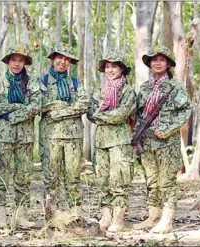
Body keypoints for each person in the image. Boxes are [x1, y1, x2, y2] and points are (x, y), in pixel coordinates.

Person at [132, 45, 192, 234]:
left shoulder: (175, 86)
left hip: (166, 142)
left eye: (162, 60)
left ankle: (167, 220)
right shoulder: (145, 87)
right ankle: (154, 216)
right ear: (149, 63)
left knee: (167, 181)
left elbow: (186, 110)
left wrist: (168, 129)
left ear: (168, 64)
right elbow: (139, 113)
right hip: (147, 141)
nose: (157, 63)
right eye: (154, 60)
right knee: (151, 180)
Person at [0, 45, 41, 229]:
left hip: (25, 137)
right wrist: (16, 107)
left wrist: (13, 114)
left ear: (25, 63)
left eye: (20, 60)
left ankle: (21, 215)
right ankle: (0, 214)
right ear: (8, 62)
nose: (17, 64)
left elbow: (36, 106)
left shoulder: (32, 83)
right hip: (2, 136)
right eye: (13, 60)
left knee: (23, 177)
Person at [39, 42, 89, 221]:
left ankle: (74, 213)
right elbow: (38, 104)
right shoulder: (42, 82)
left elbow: (84, 104)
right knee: (50, 177)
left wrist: (59, 111)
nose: (63, 62)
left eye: (67, 59)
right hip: (50, 136)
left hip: (73, 136)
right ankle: (52, 215)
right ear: (52, 59)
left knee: (73, 176)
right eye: (59, 57)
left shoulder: (75, 83)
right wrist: (68, 106)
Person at [87, 51, 136, 232]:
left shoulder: (128, 91)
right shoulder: (99, 91)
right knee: (102, 181)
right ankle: (105, 215)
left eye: (114, 66)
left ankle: (118, 217)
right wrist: (104, 115)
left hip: (120, 142)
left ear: (122, 69)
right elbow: (91, 113)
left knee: (118, 181)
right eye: (107, 66)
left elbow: (121, 115)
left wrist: (102, 115)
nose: (110, 70)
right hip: (101, 142)